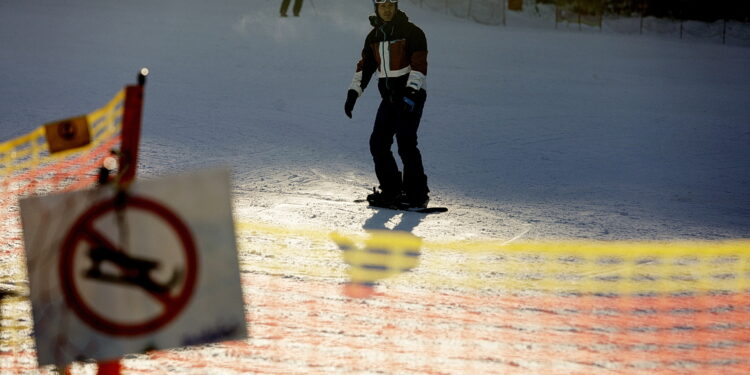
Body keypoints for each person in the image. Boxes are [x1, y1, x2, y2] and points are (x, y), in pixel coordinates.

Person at [344, 0, 430, 208]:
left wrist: (410, 94)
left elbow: (419, 65)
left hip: (412, 95)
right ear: (376, 8)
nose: (387, 9)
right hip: (390, 98)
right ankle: (391, 190)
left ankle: (417, 194)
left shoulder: (412, 32)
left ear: (396, 6)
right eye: (383, 6)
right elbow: (365, 67)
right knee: (378, 143)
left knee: (406, 143)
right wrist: (353, 93)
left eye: (391, 4)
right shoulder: (374, 36)